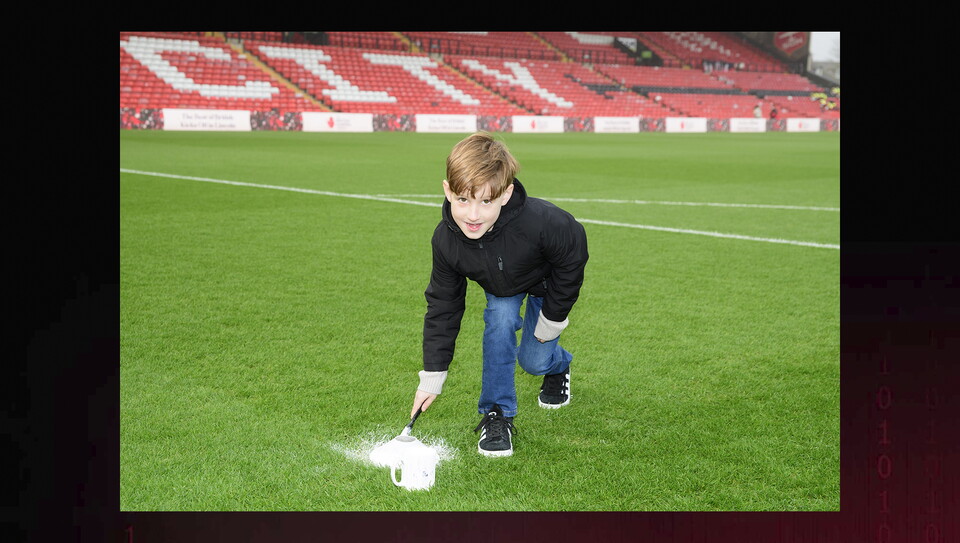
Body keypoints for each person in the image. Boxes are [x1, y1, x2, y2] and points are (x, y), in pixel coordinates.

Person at [411, 132, 589, 457]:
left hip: (544, 285)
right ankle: (497, 414)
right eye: (463, 200)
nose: (473, 215)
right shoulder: (446, 241)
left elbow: (572, 254)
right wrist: (432, 376)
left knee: (534, 362)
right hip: (501, 288)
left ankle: (557, 366)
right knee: (500, 317)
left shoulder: (544, 222)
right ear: (448, 191)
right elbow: (443, 306)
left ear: (505, 195)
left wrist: (552, 319)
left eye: (485, 201)